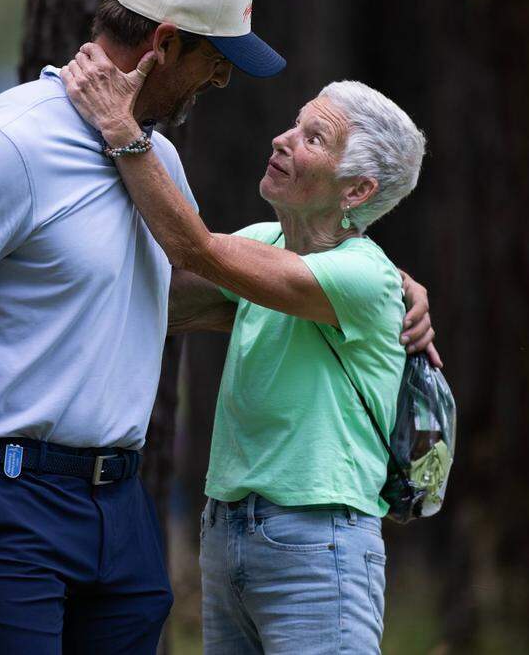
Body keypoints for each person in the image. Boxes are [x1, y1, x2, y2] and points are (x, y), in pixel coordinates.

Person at [0, 0, 435, 654]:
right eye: (216, 59)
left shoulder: (154, 160)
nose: (223, 79)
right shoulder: (7, 145)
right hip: (6, 499)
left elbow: (227, 284)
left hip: (120, 514)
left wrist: (391, 291)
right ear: (164, 42)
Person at [62, 47, 433, 652]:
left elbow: (195, 250)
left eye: (313, 138)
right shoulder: (266, 242)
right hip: (229, 532)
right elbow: (150, 303)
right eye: (295, 123)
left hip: (320, 542)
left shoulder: (367, 277)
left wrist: (122, 130)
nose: (282, 139)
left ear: (357, 190)